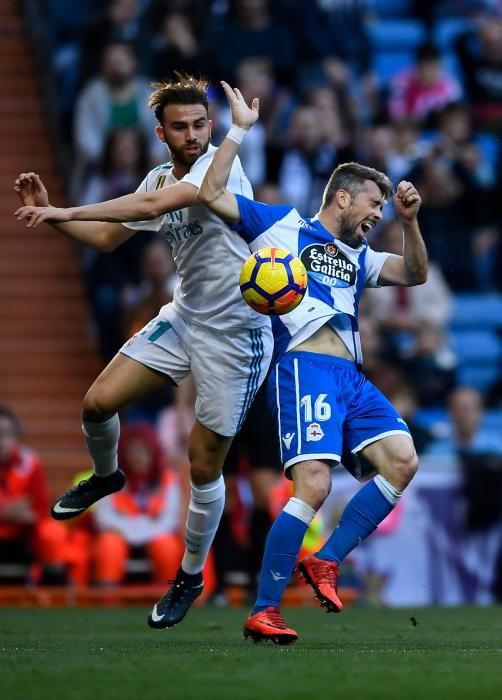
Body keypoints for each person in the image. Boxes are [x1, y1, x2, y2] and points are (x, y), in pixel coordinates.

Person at [14, 75, 273, 629]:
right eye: (180, 127)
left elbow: (174, 199)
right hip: (185, 318)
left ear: (211, 125)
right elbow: (111, 236)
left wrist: (64, 211)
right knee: (97, 403)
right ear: (161, 132)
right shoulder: (159, 173)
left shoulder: (220, 168)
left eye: (200, 124)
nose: (192, 135)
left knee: (204, 466)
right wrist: (53, 216)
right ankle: (106, 476)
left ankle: (190, 575)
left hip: (238, 336)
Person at [197, 82, 427, 643]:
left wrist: (409, 220)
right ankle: (265, 608)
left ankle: (325, 560)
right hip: (305, 367)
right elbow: (209, 193)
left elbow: (415, 274)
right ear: (342, 198)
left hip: (352, 377)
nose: (377, 215)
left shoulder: (360, 256)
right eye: (374, 205)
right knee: (314, 486)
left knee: (402, 461)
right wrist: (239, 130)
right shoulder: (283, 227)